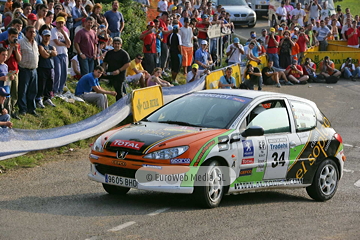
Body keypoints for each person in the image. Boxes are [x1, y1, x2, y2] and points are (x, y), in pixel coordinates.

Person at [0, 28, 22, 120]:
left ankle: (11, 111)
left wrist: (16, 49)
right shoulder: (3, 44)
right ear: (9, 35)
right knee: (3, 95)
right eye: (13, 37)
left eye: (16, 37)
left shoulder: (17, 45)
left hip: (13, 72)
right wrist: (11, 47)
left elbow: (19, 59)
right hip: (4, 72)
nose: (14, 39)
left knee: (13, 93)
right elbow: (6, 58)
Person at [18, 26, 39, 116]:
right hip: (24, 69)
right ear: (26, 32)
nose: (32, 34)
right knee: (23, 90)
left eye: (33, 32)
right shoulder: (20, 42)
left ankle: (31, 108)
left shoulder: (35, 43)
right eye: (30, 32)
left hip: (34, 69)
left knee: (33, 90)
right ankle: (22, 109)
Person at [36, 30, 57, 108]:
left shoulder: (52, 46)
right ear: (42, 36)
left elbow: (55, 53)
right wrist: (50, 53)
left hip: (51, 67)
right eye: (45, 36)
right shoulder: (40, 45)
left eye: (48, 36)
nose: (46, 37)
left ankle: (47, 98)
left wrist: (49, 51)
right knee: (42, 84)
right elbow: (44, 55)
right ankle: (39, 99)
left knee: (50, 84)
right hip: (42, 67)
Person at [51, 16, 71, 96]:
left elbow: (69, 44)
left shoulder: (65, 32)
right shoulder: (53, 30)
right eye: (59, 23)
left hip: (64, 54)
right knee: (58, 72)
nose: (60, 24)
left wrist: (64, 34)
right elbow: (57, 42)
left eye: (62, 23)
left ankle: (61, 89)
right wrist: (65, 44)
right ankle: (55, 90)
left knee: (64, 73)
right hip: (57, 53)